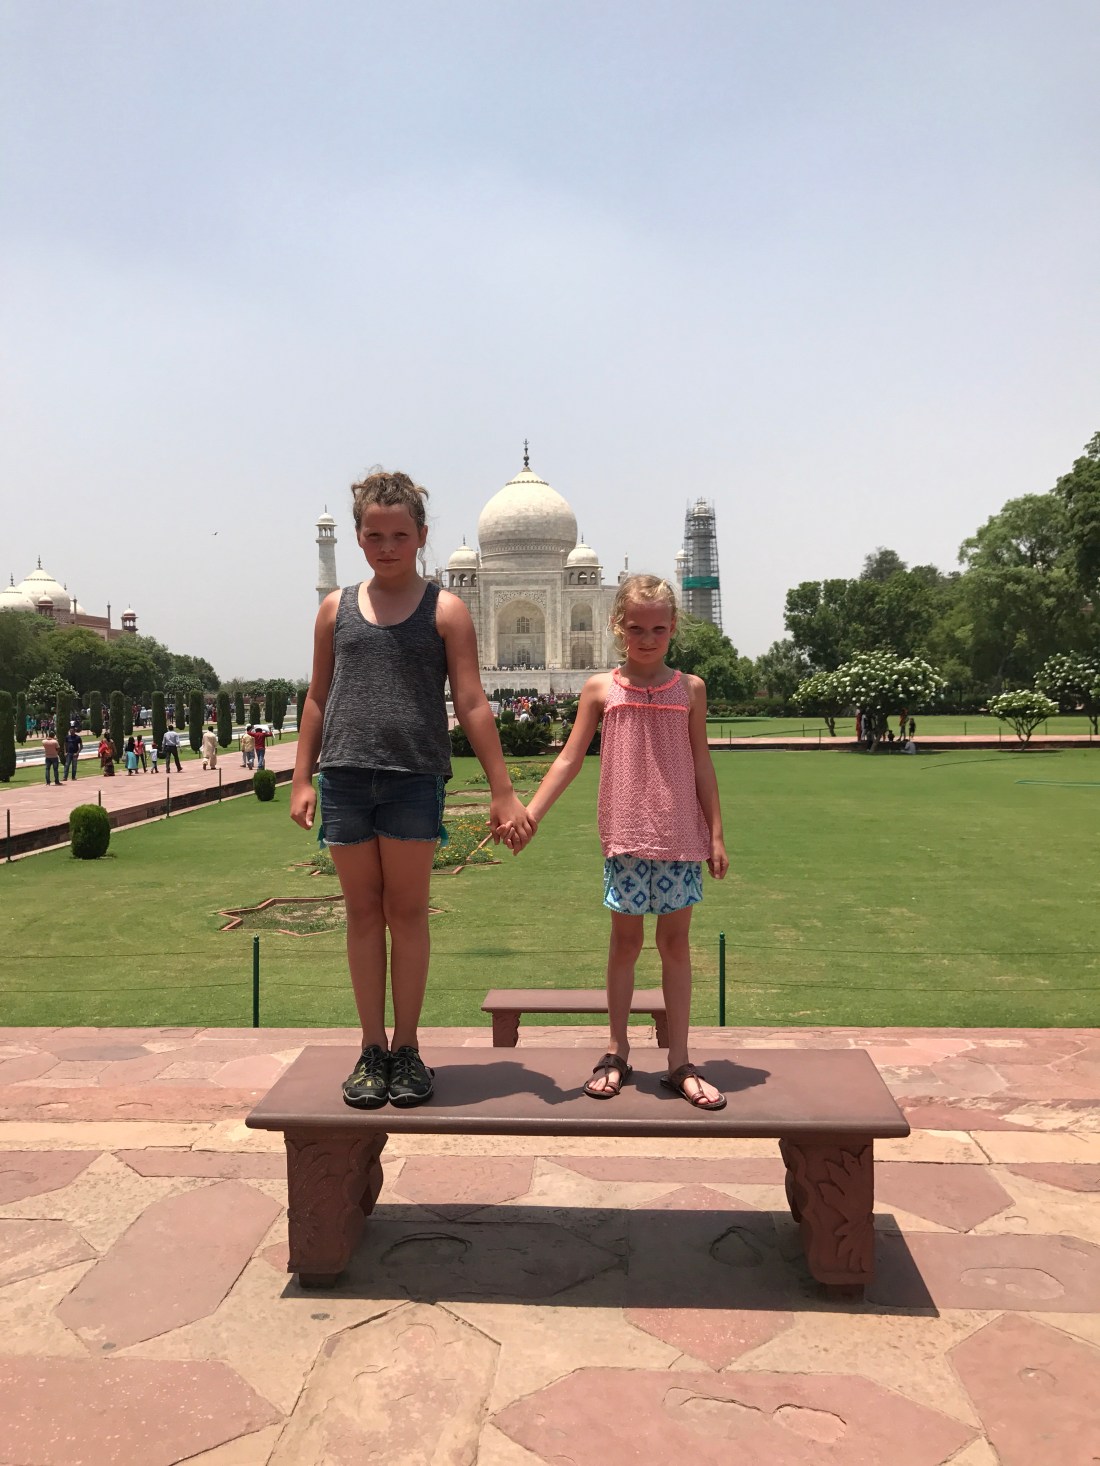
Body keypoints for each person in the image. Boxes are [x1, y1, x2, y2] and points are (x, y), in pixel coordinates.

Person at [290, 468, 532, 1111]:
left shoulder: (444, 609)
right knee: (362, 914)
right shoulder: (336, 609)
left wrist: (502, 789)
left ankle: (407, 1047)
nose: (387, 546)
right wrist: (302, 777)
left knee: (407, 913)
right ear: (358, 537)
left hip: (413, 778)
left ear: (422, 536)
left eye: (400, 535)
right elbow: (317, 697)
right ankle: (371, 1048)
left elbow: (472, 701)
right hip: (346, 777)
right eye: (375, 535)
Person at [510, 573, 729, 1109]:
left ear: (673, 627)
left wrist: (716, 833)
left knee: (675, 946)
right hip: (627, 833)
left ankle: (679, 1060)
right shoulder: (601, 688)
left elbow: (701, 763)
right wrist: (531, 813)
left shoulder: (690, 689)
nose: (647, 639)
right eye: (636, 628)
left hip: (679, 835)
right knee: (625, 946)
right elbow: (569, 757)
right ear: (617, 626)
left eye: (658, 628)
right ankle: (616, 1049)